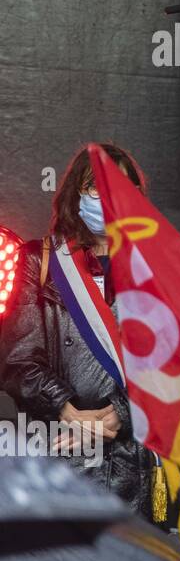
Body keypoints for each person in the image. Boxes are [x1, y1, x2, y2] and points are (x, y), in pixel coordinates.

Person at [0, 144, 157, 517]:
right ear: (75, 194)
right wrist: (68, 410)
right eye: (94, 188)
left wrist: (121, 411)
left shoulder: (151, 268)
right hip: (59, 447)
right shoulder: (40, 261)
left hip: (129, 459)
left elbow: (171, 364)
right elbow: (19, 359)